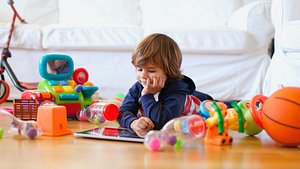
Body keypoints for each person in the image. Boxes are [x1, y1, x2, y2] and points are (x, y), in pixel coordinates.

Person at [117, 33, 213, 131]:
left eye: (151, 71)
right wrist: (133, 123)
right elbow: (123, 111)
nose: (143, 76)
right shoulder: (139, 87)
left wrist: (147, 95)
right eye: (139, 69)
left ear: (168, 71)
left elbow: (161, 123)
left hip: (205, 111)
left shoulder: (177, 93)